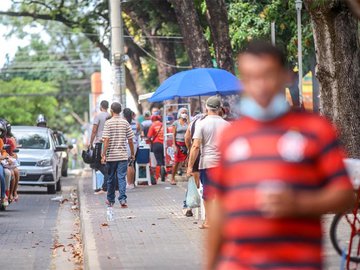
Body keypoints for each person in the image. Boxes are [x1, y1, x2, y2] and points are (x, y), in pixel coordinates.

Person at [205, 41, 354, 270]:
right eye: (250, 77)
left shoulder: (316, 130)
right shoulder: (232, 136)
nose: (260, 86)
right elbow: (219, 209)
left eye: (268, 75)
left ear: (286, 76)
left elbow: (345, 195)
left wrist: (299, 203)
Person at [187, 96, 229, 229]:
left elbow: (195, 146)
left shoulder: (202, 123)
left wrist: (189, 166)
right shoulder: (227, 125)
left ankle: (209, 220)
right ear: (219, 108)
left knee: (208, 193)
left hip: (208, 163)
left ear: (207, 108)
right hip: (224, 164)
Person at [102, 102, 134, 208]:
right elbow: (130, 139)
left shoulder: (108, 123)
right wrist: (132, 153)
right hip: (122, 156)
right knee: (121, 178)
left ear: (111, 110)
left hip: (111, 156)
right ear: (120, 111)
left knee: (111, 178)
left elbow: (106, 139)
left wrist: (103, 154)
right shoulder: (125, 123)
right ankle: (123, 199)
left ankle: (110, 200)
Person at [183, 113, 205, 217]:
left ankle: (189, 207)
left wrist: (189, 148)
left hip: (195, 154)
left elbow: (186, 138)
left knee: (195, 182)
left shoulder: (192, 124)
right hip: (208, 154)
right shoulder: (207, 122)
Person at [89, 100, 111, 194]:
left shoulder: (98, 116)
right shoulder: (110, 116)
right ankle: (107, 183)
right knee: (106, 163)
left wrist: (90, 142)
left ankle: (105, 183)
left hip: (100, 142)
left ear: (101, 106)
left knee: (97, 164)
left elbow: (94, 130)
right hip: (109, 142)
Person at [123, 108, 141, 190]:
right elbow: (138, 135)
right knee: (132, 163)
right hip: (134, 144)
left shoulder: (123, 123)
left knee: (128, 164)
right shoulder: (136, 123)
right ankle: (132, 183)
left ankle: (129, 183)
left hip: (127, 144)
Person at [170, 107, 189, 185]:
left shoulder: (188, 123)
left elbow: (190, 130)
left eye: (185, 112)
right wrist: (174, 144)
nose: (184, 114)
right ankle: (172, 178)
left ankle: (189, 177)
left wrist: (188, 121)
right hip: (178, 144)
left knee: (188, 160)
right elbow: (173, 134)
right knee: (176, 162)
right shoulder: (176, 123)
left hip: (186, 144)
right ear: (179, 113)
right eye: (183, 112)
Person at [147, 115, 166, 182]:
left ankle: (158, 177)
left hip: (156, 144)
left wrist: (150, 141)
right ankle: (164, 174)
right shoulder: (163, 125)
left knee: (158, 160)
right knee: (164, 159)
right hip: (165, 144)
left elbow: (149, 136)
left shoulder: (152, 126)